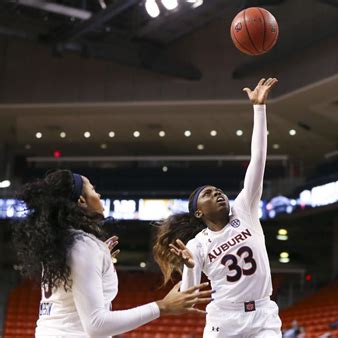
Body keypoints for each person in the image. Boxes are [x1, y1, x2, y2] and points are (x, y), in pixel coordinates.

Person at [12, 169, 213, 337]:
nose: (98, 195)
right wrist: (162, 306)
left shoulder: (63, 243)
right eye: (93, 189)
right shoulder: (83, 246)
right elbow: (96, 325)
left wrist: (97, 262)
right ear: (81, 200)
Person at [152, 78, 281, 337]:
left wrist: (259, 108)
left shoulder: (245, 210)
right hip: (225, 318)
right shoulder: (197, 244)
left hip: (264, 314)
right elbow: (190, 296)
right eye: (208, 194)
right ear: (198, 212)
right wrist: (189, 266)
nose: (218, 193)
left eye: (218, 190)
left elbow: (258, 159)